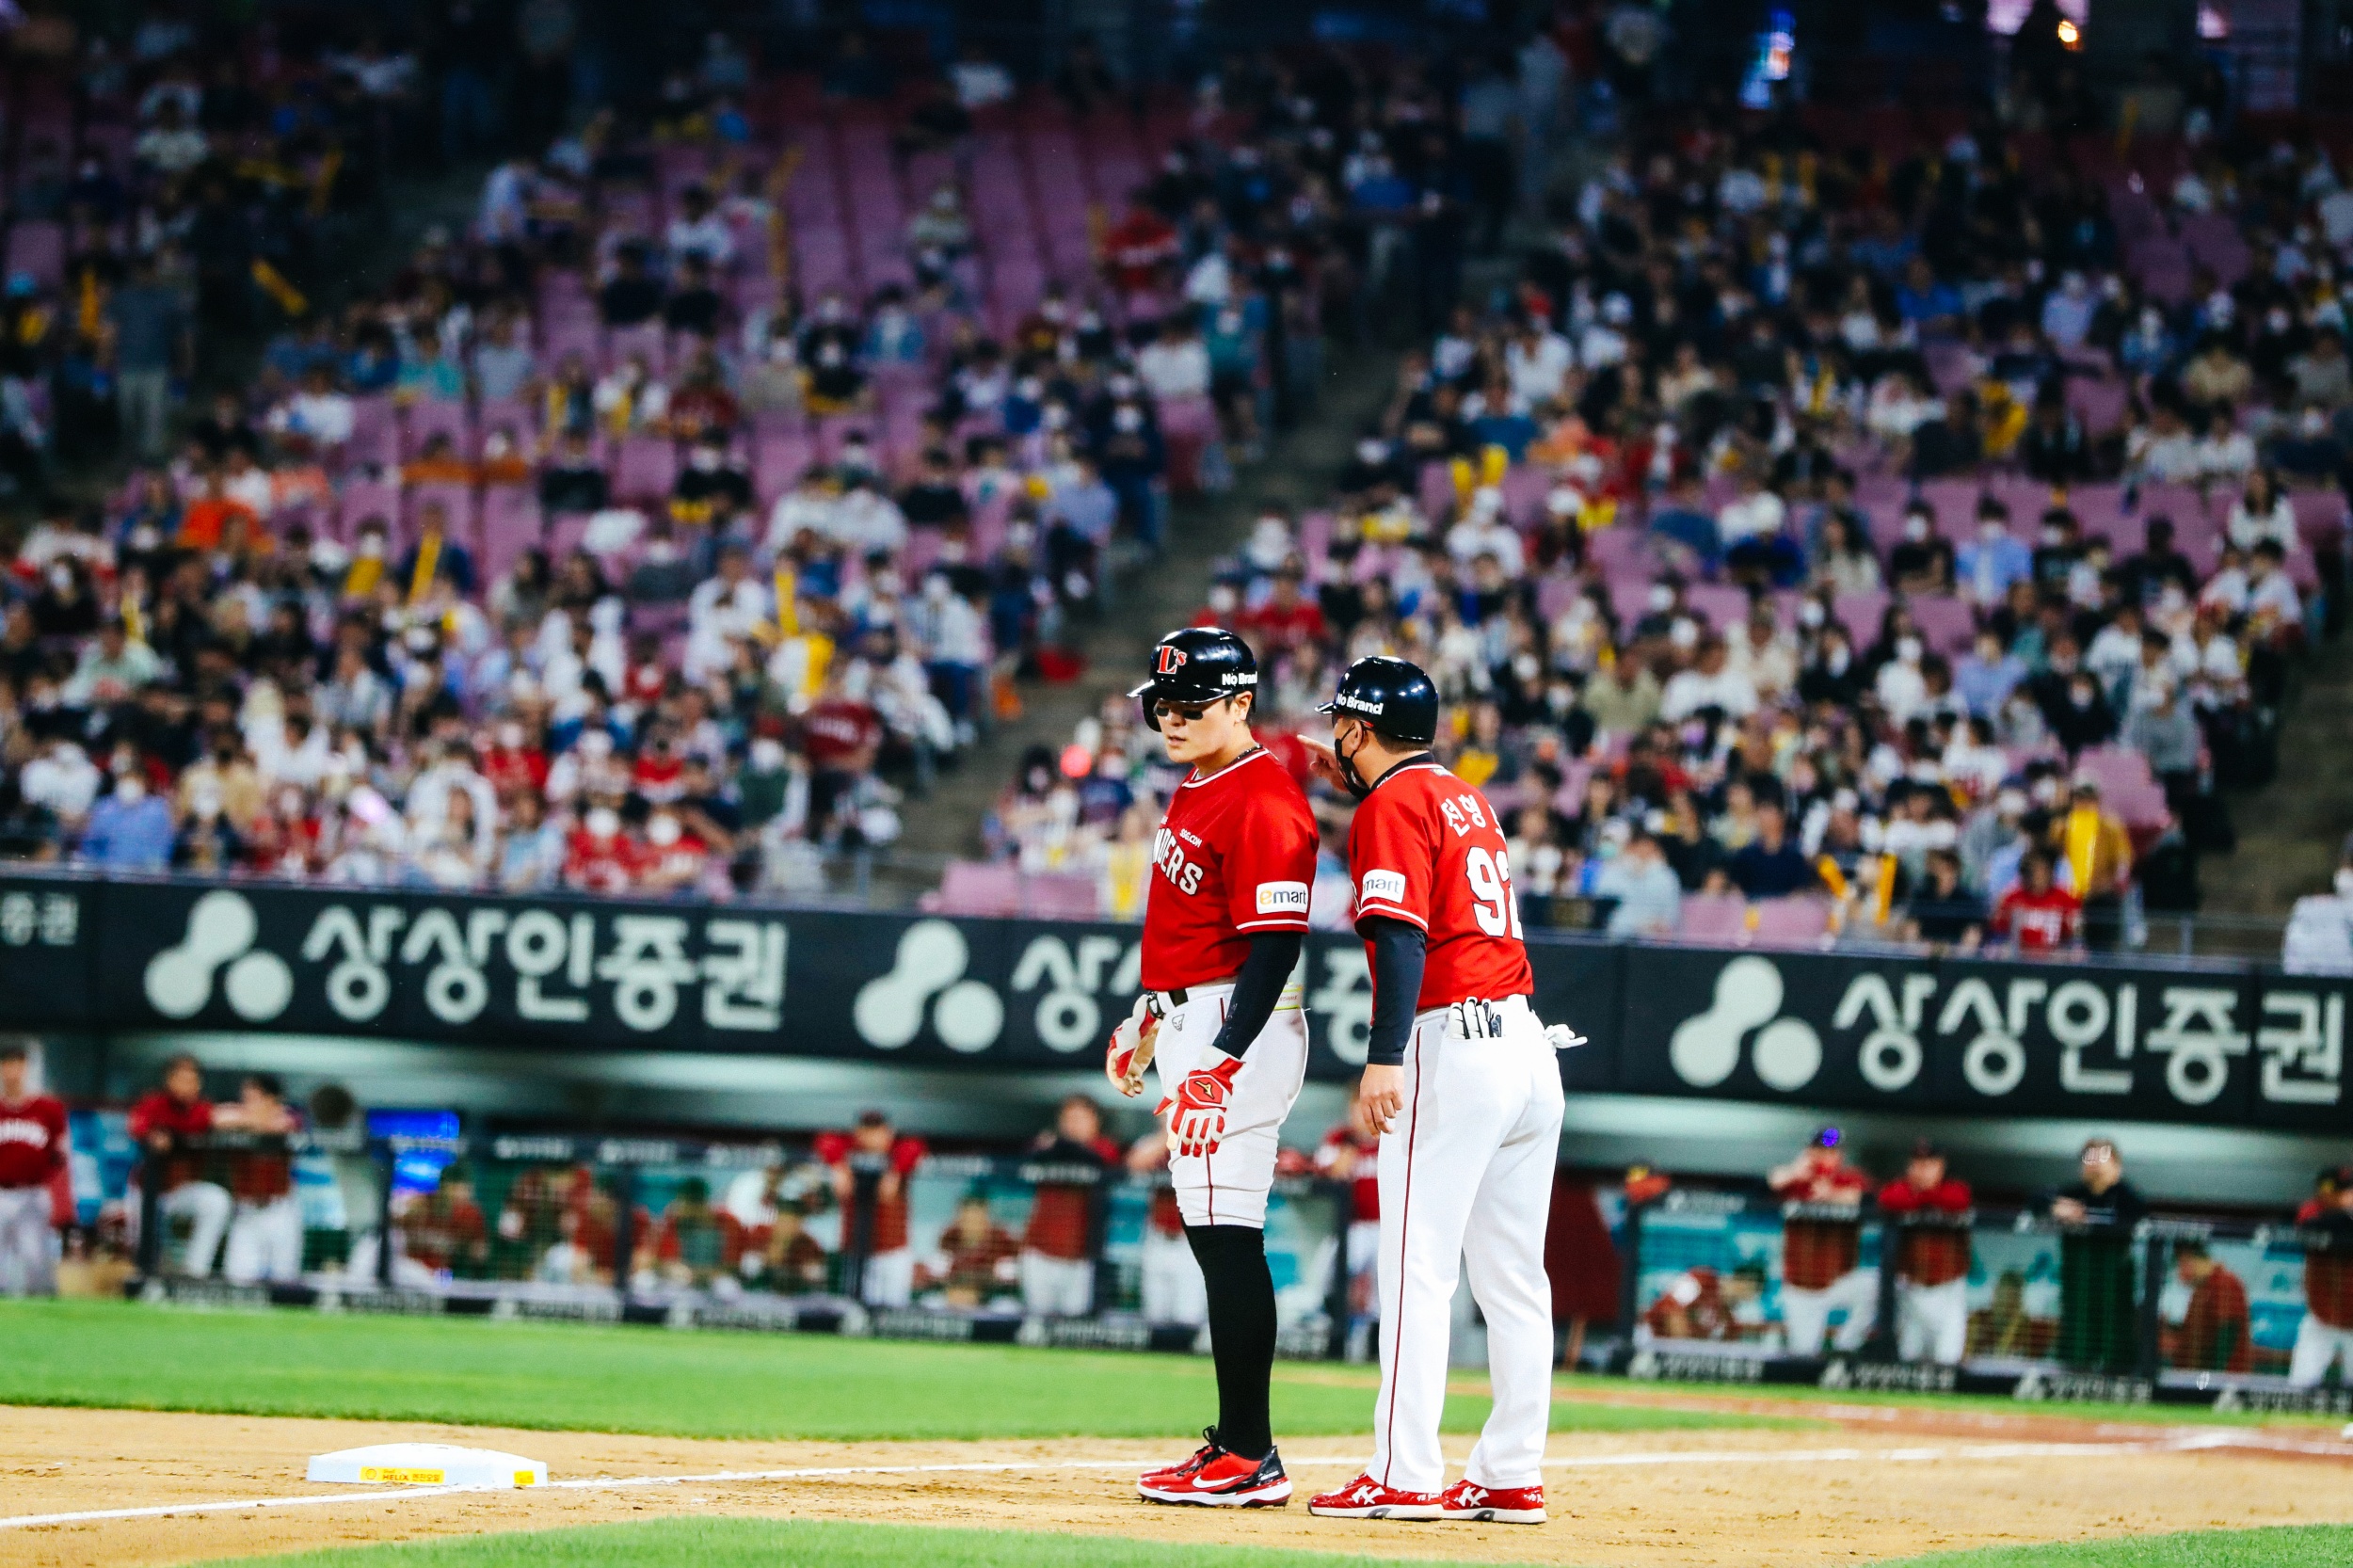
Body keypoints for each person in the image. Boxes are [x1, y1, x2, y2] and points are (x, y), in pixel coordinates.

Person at [1302, 655, 1574, 1527]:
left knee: (1415, 1267)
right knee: (1514, 1280)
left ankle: (1404, 1472)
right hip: (1528, 1046)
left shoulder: (1390, 804)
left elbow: (1398, 937)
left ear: (1359, 728)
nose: (1335, 738)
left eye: (1342, 725)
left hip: (1453, 1046)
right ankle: (1510, 1473)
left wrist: (1383, 1055)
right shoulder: (1462, 795)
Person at [1106, 627, 1316, 1508]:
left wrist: (1221, 1059)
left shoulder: (1262, 797)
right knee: (1214, 1237)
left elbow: (1275, 947)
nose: (1172, 719)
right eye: (1162, 705)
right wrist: (1149, 1014)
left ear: (1240, 703)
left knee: (1228, 1241)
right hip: (1196, 1019)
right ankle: (1237, 1444)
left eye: (1192, 704)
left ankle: (1250, 1454)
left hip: (1239, 1028)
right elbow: (1195, 930)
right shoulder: (1201, 782)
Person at [1769, 1128, 1875, 1356]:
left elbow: (1865, 1196)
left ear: (1840, 1155)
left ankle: (1845, 1347)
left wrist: (1831, 1194)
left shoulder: (1849, 1178)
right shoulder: (1796, 1181)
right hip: (1801, 1288)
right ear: (1808, 1152)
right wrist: (1796, 1172)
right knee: (1804, 1357)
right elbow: (1774, 1180)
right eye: (1819, 1150)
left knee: (1876, 1287)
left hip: (1838, 1282)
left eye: (1831, 1152)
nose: (1825, 1157)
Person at [2048, 1137, 2148, 1374]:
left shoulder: (2127, 1196)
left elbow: (2139, 1213)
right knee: (2076, 1356)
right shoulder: (2072, 1193)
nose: (2094, 1164)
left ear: (2116, 1164)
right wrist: (2055, 1207)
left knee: (2116, 1359)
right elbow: (2037, 1200)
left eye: (2101, 1158)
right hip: (2078, 1288)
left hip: (2115, 1289)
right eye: (2089, 1159)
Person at [126, 1053, 232, 1277]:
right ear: (169, 1080)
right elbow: (136, 1127)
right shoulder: (153, 1103)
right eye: (181, 1079)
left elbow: (219, 1118)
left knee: (216, 1201)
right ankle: (146, 1278)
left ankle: (194, 1272)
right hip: (146, 1192)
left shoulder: (202, 1108)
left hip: (181, 1191)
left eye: (192, 1080)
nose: (187, 1085)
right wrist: (153, 1135)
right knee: (143, 1253)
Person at [815, 1110, 928, 1310]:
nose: (872, 1137)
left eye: (878, 1131)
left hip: (893, 1252)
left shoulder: (898, 1150)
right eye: (867, 1131)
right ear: (858, 1132)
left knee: (894, 1310)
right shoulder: (849, 1151)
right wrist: (837, 1166)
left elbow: (916, 1147)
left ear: (888, 1132)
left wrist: (895, 1171)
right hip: (854, 1250)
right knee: (853, 1310)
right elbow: (825, 1140)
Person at [1019, 1095, 1119, 1317]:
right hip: (1040, 1251)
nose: (1072, 1125)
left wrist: (1057, 1145)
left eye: (1079, 1118)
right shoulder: (1047, 1150)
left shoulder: (1104, 1148)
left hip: (1080, 1257)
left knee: (1076, 1323)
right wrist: (1050, 1146)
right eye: (1068, 1119)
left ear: (1095, 1121)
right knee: (1037, 1320)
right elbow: (1029, 1157)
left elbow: (1095, 1159)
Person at [1877, 1141, 1973, 1366]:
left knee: (1947, 1361)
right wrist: (1922, 1195)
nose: (1923, 1170)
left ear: (1941, 1166)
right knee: (1909, 1359)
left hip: (1948, 1291)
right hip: (1911, 1291)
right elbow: (1888, 1199)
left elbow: (1958, 1201)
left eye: (1930, 1164)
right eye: (1918, 1164)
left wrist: (1921, 1195)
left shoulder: (1955, 1188)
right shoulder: (1899, 1188)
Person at [220, 1072, 305, 1285]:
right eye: (245, 1099)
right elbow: (217, 1118)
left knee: (284, 1282)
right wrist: (250, 1118)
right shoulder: (237, 1119)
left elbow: (285, 1123)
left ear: (272, 1100)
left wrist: (249, 1121)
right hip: (246, 1212)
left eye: (254, 1099)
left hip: (280, 1212)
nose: (247, 1105)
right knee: (237, 1281)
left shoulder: (287, 1119)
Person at [0, 1043, 67, 1296]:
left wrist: (59, 1195)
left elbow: (60, 1154)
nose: (13, 1072)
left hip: (34, 1191)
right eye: (8, 1065)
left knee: (35, 1255)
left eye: (18, 1065)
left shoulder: (48, 1109)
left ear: (26, 1068)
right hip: (1, 1191)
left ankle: (42, 1302)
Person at [1313, 1091, 1382, 1331]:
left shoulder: (1393, 1140)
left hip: (1387, 1228)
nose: (1363, 1116)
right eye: (1358, 1110)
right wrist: (1351, 1149)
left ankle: (1376, 1336)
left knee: (1385, 1290)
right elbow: (1330, 1172)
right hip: (1354, 1226)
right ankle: (1329, 1325)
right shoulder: (1340, 1138)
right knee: (1326, 1272)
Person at [1127, 1130, 1208, 1330]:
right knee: (1154, 1318)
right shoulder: (1154, 1141)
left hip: (1191, 1243)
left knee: (1188, 1318)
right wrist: (1169, 1134)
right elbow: (1134, 1164)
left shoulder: (1208, 1139)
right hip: (1157, 1239)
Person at [2290, 1166, 2353, 1386]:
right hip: (2321, 1315)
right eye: (2343, 1191)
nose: (2349, 1195)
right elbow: (2307, 1229)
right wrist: (2345, 1215)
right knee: (2301, 1383)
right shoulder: (2313, 1210)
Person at [2162, 1240, 2250, 1373]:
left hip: (2219, 1380)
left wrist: (2208, 1378)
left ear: (2187, 1259)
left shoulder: (2225, 1283)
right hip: (2195, 1378)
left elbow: (2228, 1332)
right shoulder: (2201, 1289)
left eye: (2179, 1265)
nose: (2179, 1274)